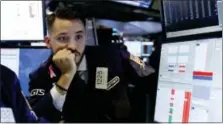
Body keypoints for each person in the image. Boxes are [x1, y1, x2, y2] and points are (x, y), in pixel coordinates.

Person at [28, 5, 155, 123]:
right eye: (63, 38)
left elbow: (150, 75)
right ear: (48, 41)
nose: (72, 46)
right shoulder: (40, 76)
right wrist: (66, 76)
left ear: (85, 36)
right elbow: (36, 117)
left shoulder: (115, 54)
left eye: (79, 37)